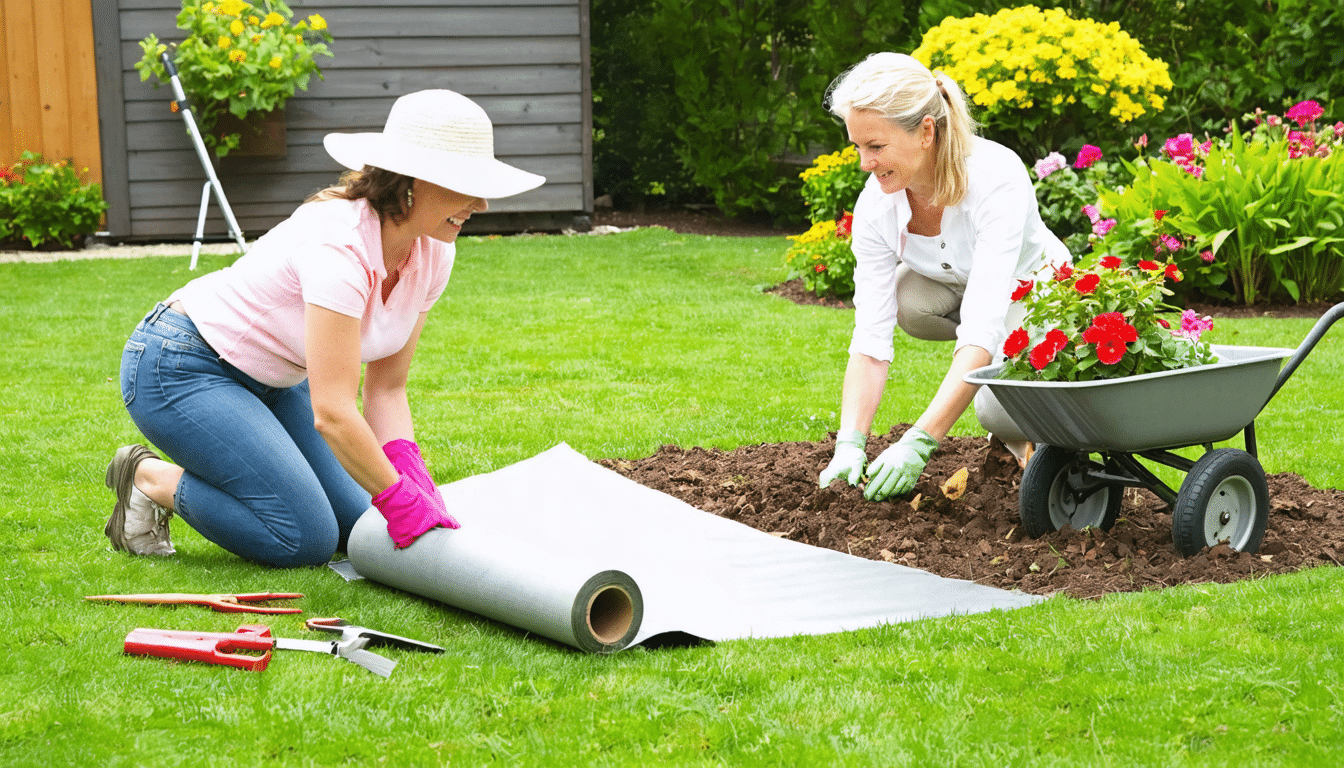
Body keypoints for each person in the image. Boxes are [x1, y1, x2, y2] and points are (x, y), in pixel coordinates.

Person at [104, 90, 545, 566]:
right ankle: (147, 477)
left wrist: (413, 483)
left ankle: (245, 466)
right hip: (183, 366)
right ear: (411, 182)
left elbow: (387, 389)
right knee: (303, 536)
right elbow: (333, 411)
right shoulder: (340, 244)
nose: (480, 202)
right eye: (466, 185)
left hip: (278, 378)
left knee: (360, 526)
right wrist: (400, 502)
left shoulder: (434, 250)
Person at [817, 53, 1070, 501]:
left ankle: (1035, 425)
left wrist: (919, 442)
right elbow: (870, 338)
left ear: (926, 133)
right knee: (907, 301)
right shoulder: (876, 206)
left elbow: (981, 329)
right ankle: (1008, 378)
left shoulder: (996, 179)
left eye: (876, 147)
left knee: (997, 407)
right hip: (957, 287)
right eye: (858, 147)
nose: (864, 163)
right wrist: (850, 440)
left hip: (1037, 291)